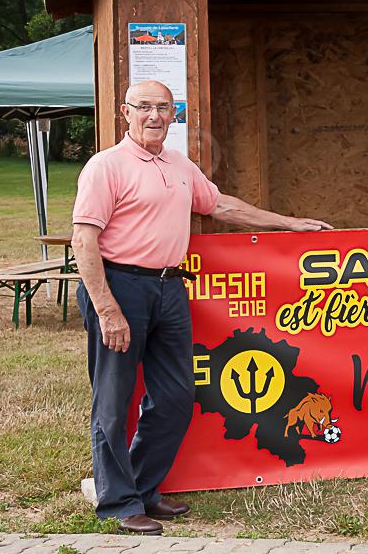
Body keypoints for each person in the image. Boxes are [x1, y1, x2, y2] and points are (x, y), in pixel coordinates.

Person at [71, 79, 333, 535]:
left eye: (163, 108)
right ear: (125, 112)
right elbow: (83, 240)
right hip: (120, 287)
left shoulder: (178, 164)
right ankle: (118, 503)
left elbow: (220, 205)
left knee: (175, 397)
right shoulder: (106, 166)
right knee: (112, 402)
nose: (154, 116)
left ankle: (143, 489)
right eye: (144, 107)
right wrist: (107, 308)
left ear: (173, 114)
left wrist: (287, 224)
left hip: (169, 288)